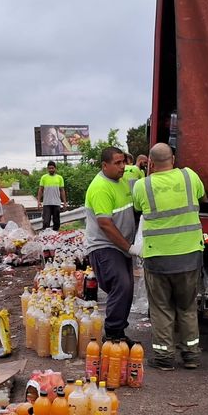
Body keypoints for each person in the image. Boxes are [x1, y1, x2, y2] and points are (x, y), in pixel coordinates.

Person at [131, 143, 205, 370]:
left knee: (161, 309)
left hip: (158, 258)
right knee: (187, 307)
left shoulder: (142, 185)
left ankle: (164, 358)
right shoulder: (190, 177)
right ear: (173, 159)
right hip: (189, 255)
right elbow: (202, 198)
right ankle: (191, 355)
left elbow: (138, 209)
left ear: (151, 164)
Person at [84, 147, 137, 344]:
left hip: (121, 246)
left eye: (124, 162)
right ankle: (113, 334)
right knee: (121, 284)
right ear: (104, 165)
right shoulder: (100, 187)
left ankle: (119, 332)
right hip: (105, 246)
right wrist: (129, 247)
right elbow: (105, 224)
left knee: (127, 289)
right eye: (117, 163)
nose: (123, 167)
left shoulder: (122, 180)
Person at [37, 161, 67, 231]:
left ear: (55, 168)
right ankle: (45, 235)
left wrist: (64, 202)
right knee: (46, 221)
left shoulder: (59, 178)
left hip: (56, 203)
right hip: (46, 203)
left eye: (52, 168)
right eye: (49, 168)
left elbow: (62, 191)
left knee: (56, 222)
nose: (51, 170)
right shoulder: (44, 177)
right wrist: (39, 201)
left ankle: (55, 234)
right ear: (47, 169)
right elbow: (40, 190)